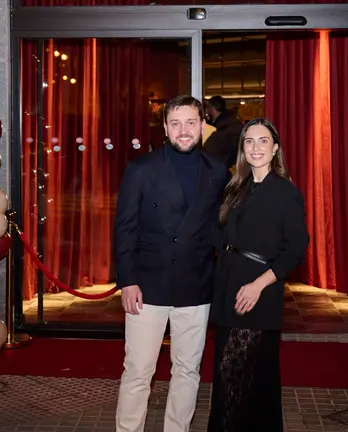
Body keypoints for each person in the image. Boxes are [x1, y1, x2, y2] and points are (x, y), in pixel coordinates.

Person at [113, 95, 230, 432]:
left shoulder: (218, 171)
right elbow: (125, 229)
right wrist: (127, 280)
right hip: (146, 287)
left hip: (196, 286)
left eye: (191, 122)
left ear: (202, 126)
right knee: (138, 370)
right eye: (175, 123)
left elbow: (219, 227)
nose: (183, 130)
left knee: (187, 370)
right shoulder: (141, 169)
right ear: (165, 127)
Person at [208, 117, 309, 432]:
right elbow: (219, 235)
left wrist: (258, 285)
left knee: (236, 375)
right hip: (229, 285)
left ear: (275, 148)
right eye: (249, 141)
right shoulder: (236, 186)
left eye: (263, 140)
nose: (255, 147)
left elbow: (295, 249)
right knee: (240, 375)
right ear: (242, 149)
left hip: (258, 290)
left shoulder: (285, 192)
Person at [202, 95, 243, 169]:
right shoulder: (231, 122)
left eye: (208, 107)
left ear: (212, 107)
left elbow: (210, 151)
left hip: (224, 169)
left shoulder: (221, 127)